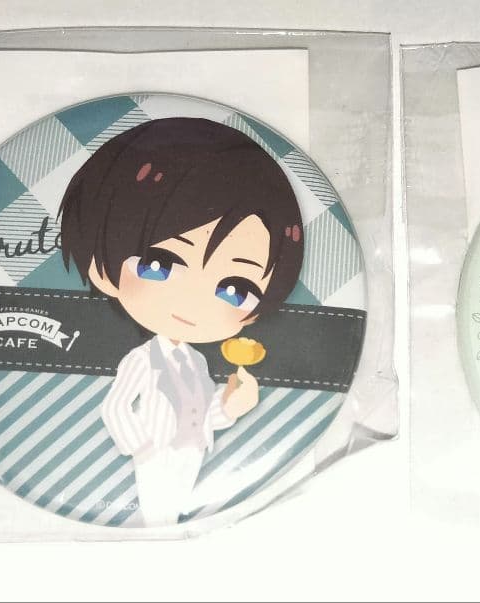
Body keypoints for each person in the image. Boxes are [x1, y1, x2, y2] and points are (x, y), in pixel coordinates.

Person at [59, 117, 304, 525]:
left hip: (194, 452)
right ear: (103, 271)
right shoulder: (142, 359)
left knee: (171, 516)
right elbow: (116, 406)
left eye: (235, 289)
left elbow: (203, 410)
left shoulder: (197, 361)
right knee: (156, 513)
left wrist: (230, 406)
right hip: (155, 451)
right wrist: (141, 447)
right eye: (160, 264)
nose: (192, 300)